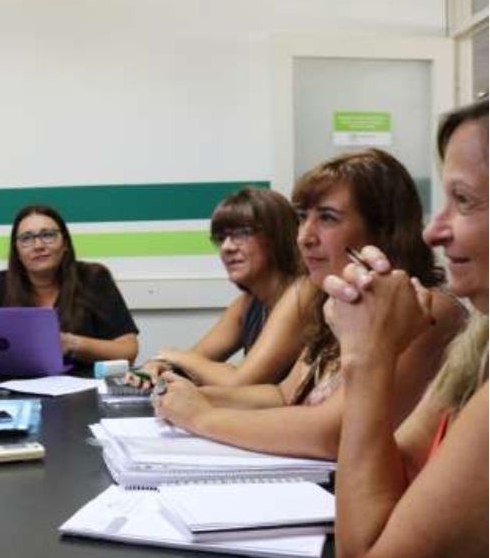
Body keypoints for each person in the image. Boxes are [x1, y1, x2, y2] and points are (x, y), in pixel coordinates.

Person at [151, 148, 465, 461]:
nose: (304, 236)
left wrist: (201, 417)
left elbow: (332, 433)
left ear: (384, 229)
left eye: (327, 218)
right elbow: (284, 395)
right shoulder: (336, 299)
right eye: (303, 218)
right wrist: (193, 397)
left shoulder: (426, 308)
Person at [322, 99, 487, 558]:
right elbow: (400, 465)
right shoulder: (479, 342)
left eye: (464, 201)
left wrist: (369, 357)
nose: (434, 231)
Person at [131, 187, 308, 387]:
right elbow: (196, 359)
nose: (227, 247)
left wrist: (176, 357)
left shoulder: (302, 292)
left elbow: (240, 383)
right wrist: (156, 365)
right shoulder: (248, 303)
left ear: (277, 235)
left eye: (242, 234)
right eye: (221, 238)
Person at [0, 204, 138, 368]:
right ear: (16, 251)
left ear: (65, 243)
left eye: (48, 235)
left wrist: (72, 344)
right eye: (26, 238)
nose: (38, 245)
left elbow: (128, 351)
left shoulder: (94, 278)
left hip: (83, 387)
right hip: (12, 387)